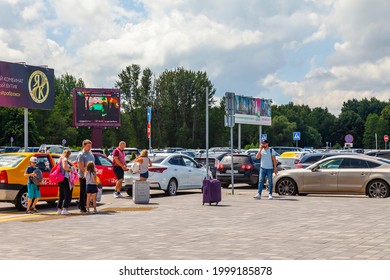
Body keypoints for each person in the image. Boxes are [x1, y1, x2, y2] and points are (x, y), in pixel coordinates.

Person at [77, 139, 95, 213]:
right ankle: (82, 206)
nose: (89, 147)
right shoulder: (81, 154)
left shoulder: (91, 153)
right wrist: (86, 174)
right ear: (84, 146)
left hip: (91, 176)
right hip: (83, 176)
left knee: (89, 191)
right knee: (83, 191)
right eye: (88, 146)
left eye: (90, 145)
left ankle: (85, 204)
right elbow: (81, 165)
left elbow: (93, 164)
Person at [57, 149, 73, 215]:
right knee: (68, 194)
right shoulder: (64, 159)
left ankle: (59, 209)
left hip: (59, 178)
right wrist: (70, 169)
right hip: (64, 178)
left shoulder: (59, 159)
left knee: (61, 194)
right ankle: (65, 208)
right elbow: (64, 167)